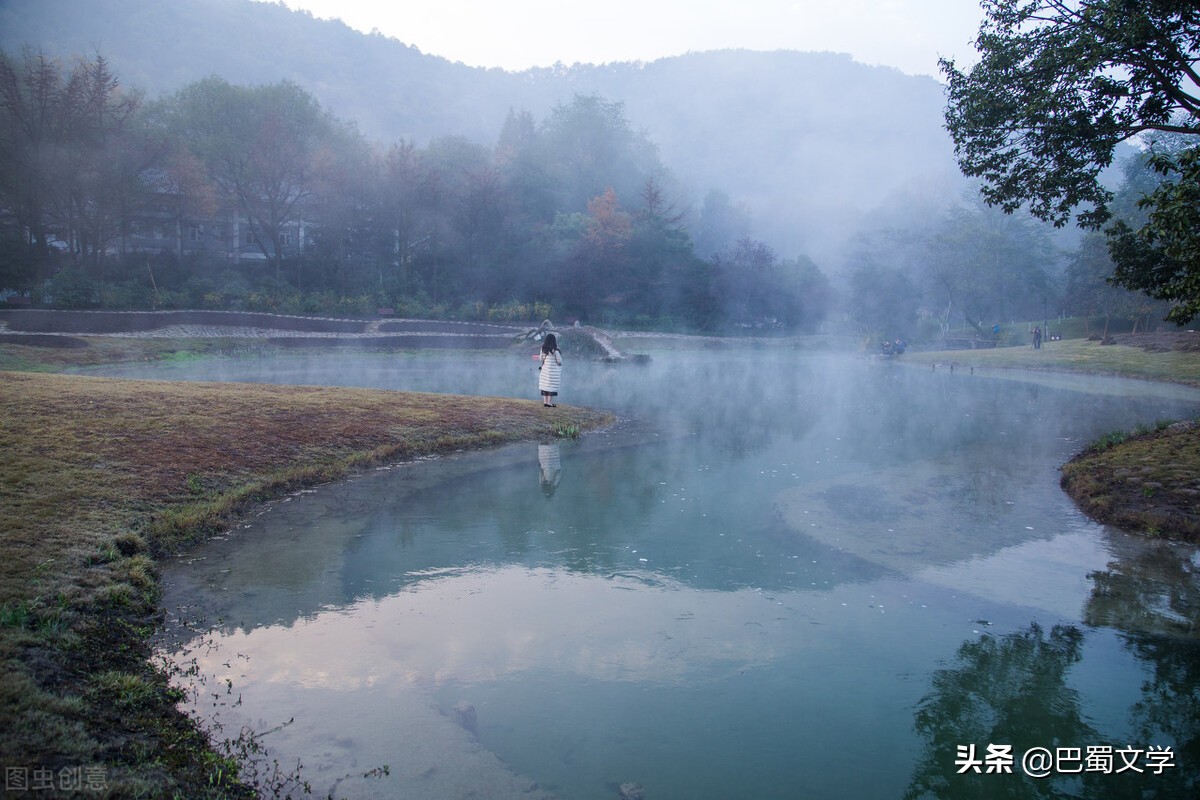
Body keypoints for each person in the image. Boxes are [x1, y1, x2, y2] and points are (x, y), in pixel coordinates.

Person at [538, 332, 562, 406]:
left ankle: (545, 402)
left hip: (545, 370)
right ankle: (549, 402)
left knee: (545, 385)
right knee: (551, 386)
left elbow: (541, 359)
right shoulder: (556, 350)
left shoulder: (543, 349)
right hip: (554, 372)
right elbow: (559, 361)